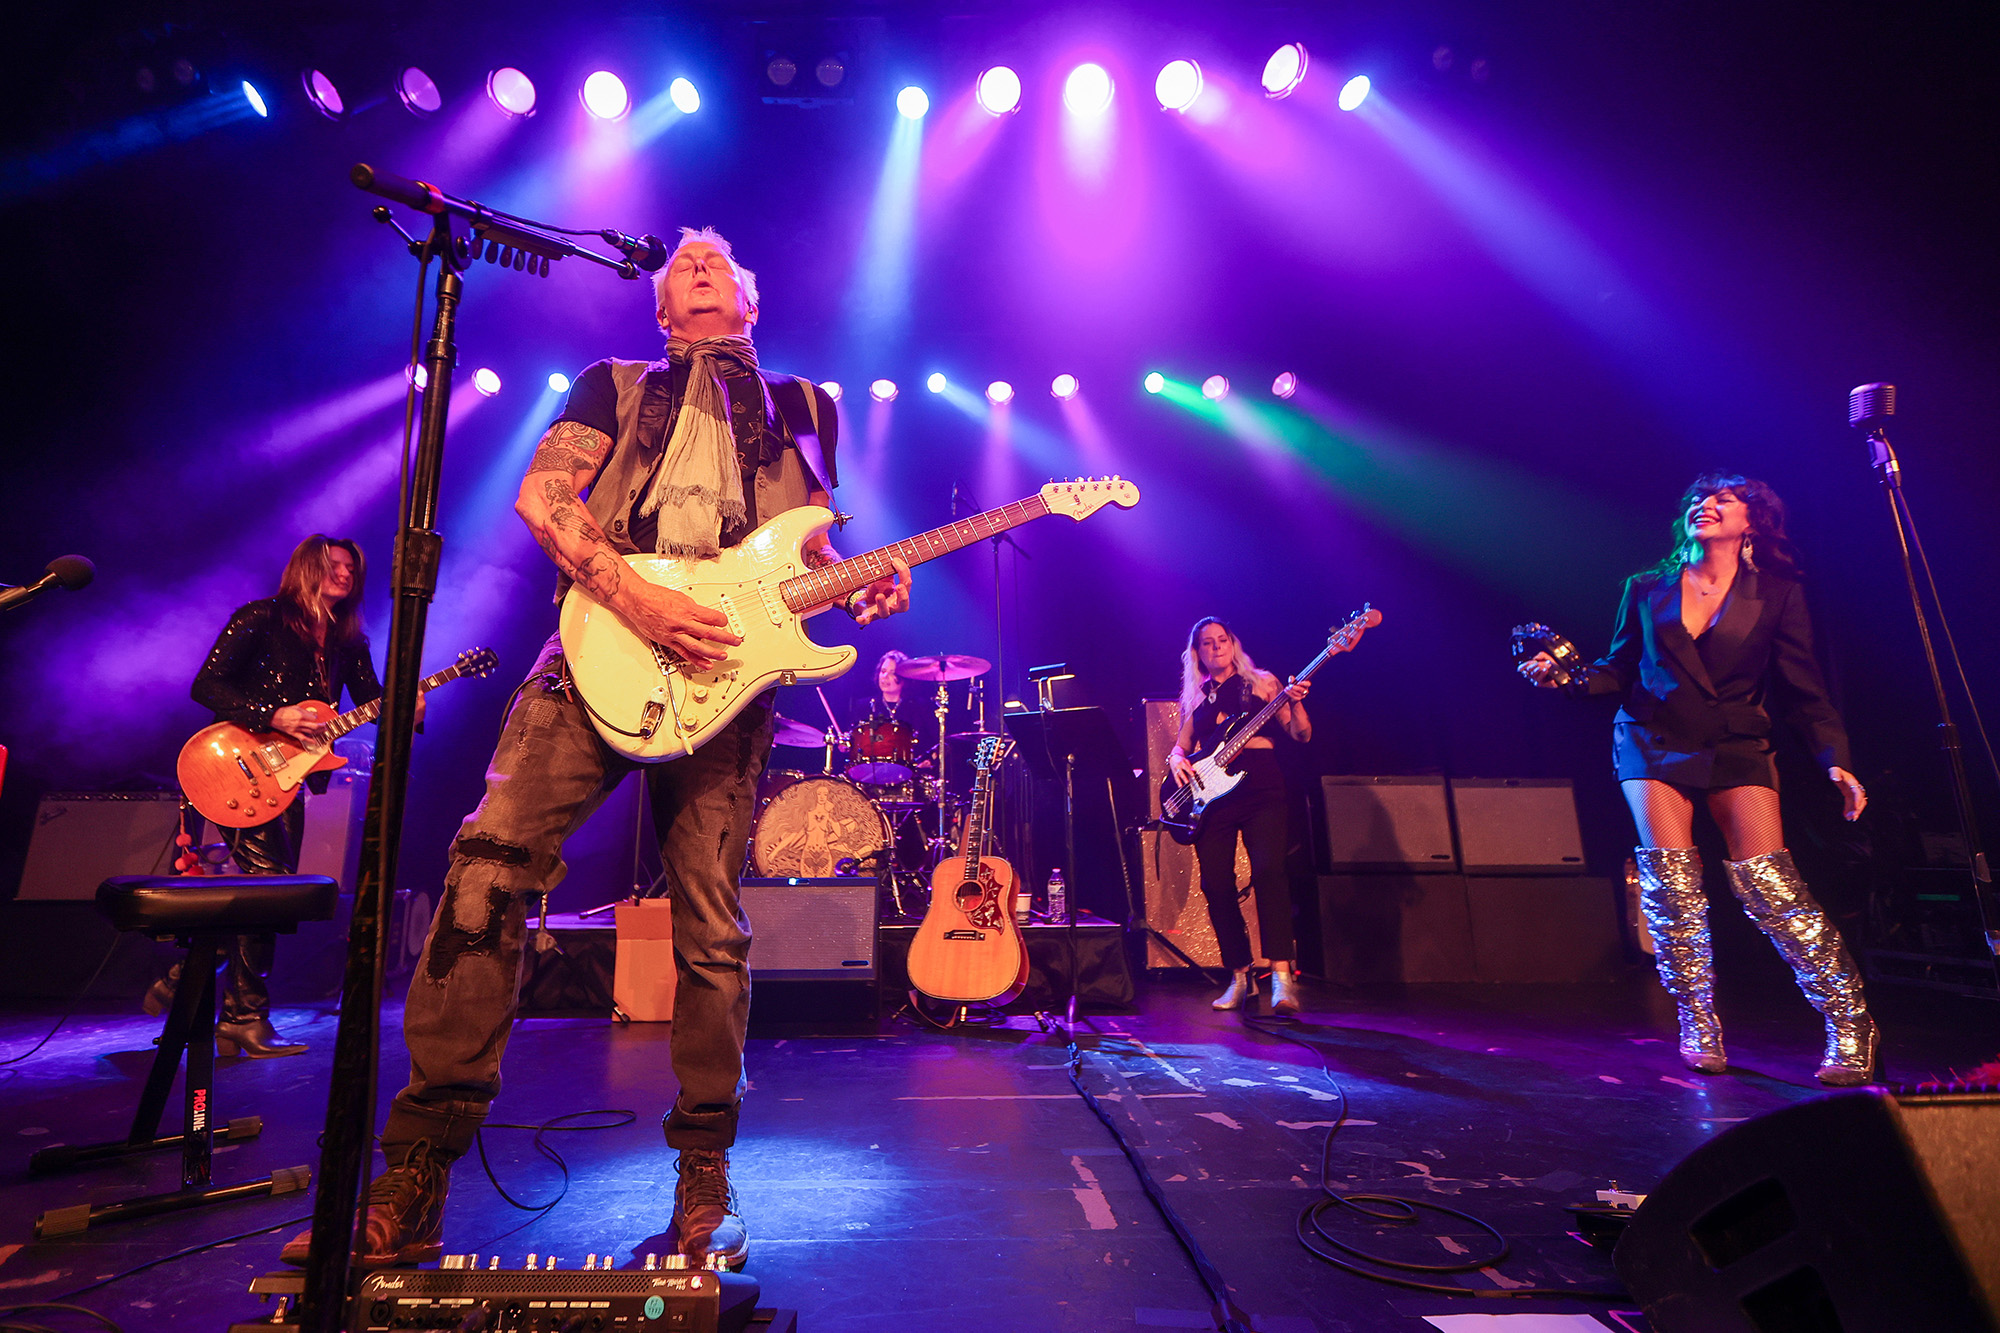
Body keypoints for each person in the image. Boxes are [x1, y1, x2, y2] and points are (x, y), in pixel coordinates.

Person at [282, 227, 910, 1272]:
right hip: (599, 645)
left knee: (711, 925)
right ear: (661, 308)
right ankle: (414, 1179)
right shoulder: (611, 384)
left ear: (749, 300)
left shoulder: (807, 406)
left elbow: (805, 544)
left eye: (721, 259)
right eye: (685, 264)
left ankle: (704, 1184)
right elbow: (543, 499)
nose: (703, 262)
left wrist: (861, 582)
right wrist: (636, 596)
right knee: (485, 877)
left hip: (726, 675)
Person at [1519, 472, 1874, 1085]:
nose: (1706, 507)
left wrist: (1833, 757)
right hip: (1652, 739)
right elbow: (1617, 668)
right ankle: (1698, 1021)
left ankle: (1850, 1021)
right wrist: (1568, 677)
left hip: (1737, 742)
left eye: (1724, 501)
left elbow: (1804, 688)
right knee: (1672, 883)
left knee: (1769, 883)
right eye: (1697, 502)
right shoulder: (1646, 587)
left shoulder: (1779, 593)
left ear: (1752, 523)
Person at [185, 535, 400, 1056]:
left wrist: (408, 706)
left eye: (353, 568)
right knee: (271, 888)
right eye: (336, 565)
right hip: (240, 767)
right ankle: (242, 1018)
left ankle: (182, 980)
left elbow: (373, 702)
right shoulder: (260, 618)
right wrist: (274, 715)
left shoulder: (350, 641)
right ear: (308, 566)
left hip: (291, 779)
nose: (347, 574)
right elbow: (207, 686)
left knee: (274, 893)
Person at [1166, 617, 1311, 1015]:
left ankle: (1282, 976)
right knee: (1215, 884)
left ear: (1234, 644)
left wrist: (1295, 703)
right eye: (1207, 643)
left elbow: (1300, 735)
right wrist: (1175, 759)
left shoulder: (1263, 682)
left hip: (1262, 787)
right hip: (1215, 798)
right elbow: (1180, 747)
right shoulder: (1196, 698)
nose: (1216, 647)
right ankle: (1240, 976)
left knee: (1269, 872)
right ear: (1197, 653)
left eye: (1222, 640)